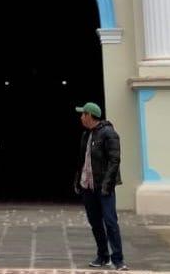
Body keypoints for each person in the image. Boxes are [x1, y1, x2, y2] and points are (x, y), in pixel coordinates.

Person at [73, 102, 127, 271]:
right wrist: (78, 182)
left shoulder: (109, 134)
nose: (81, 117)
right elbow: (83, 162)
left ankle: (118, 260)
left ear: (90, 115)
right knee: (95, 222)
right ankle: (102, 255)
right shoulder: (86, 135)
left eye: (83, 114)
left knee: (110, 223)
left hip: (104, 187)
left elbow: (114, 161)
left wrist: (107, 185)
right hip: (88, 186)